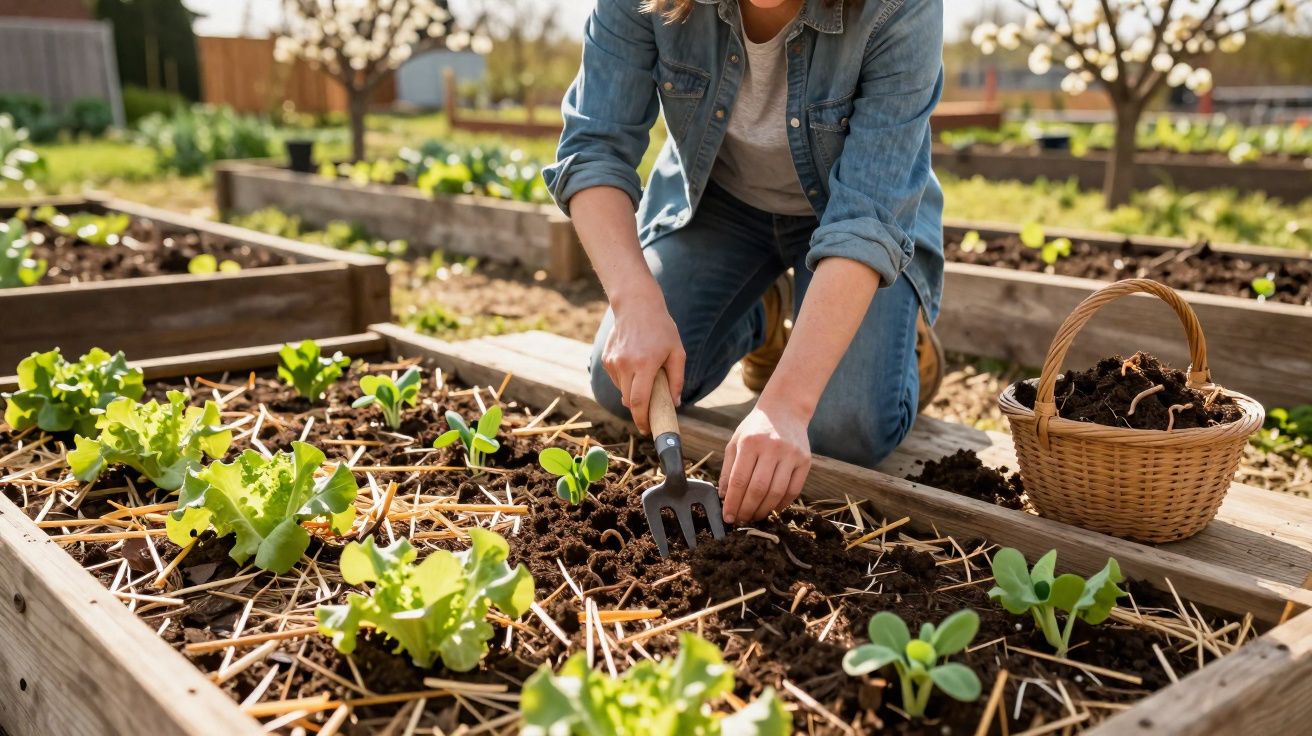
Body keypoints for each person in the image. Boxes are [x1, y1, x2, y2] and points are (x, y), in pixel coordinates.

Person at [542, 0, 945, 526]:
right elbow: (593, 148)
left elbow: (867, 220)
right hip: (718, 205)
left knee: (845, 431)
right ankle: (764, 311)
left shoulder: (899, 7)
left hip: (851, 216)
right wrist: (635, 302)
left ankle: (898, 340)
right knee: (625, 385)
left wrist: (787, 406)